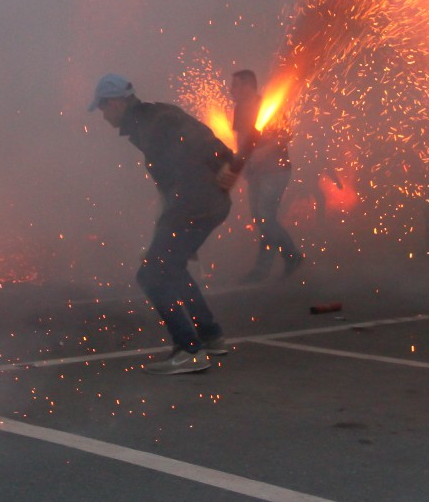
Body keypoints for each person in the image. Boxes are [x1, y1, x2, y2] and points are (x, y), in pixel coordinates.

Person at [89, 73, 238, 375]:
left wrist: (174, 220)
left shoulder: (152, 126)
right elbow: (205, 141)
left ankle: (189, 350)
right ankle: (210, 336)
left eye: (104, 108)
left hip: (195, 203)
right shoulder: (157, 116)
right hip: (207, 202)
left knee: (151, 273)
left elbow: (180, 177)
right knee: (173, 265)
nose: (103, 115)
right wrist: (227, 161)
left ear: (117, 102)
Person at [230, 70, 302, 283]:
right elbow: (241, 138)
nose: (231, 90)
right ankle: (288, 259)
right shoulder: (239, 109)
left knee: (265, 217)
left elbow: (285, 134)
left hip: (276, 171)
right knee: (260, 219)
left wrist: (262, 152)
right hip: (256, 173)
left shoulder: (267, 105)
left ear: (248, 87)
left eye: (235, 85)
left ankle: (268, 267)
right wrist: (242, 164)